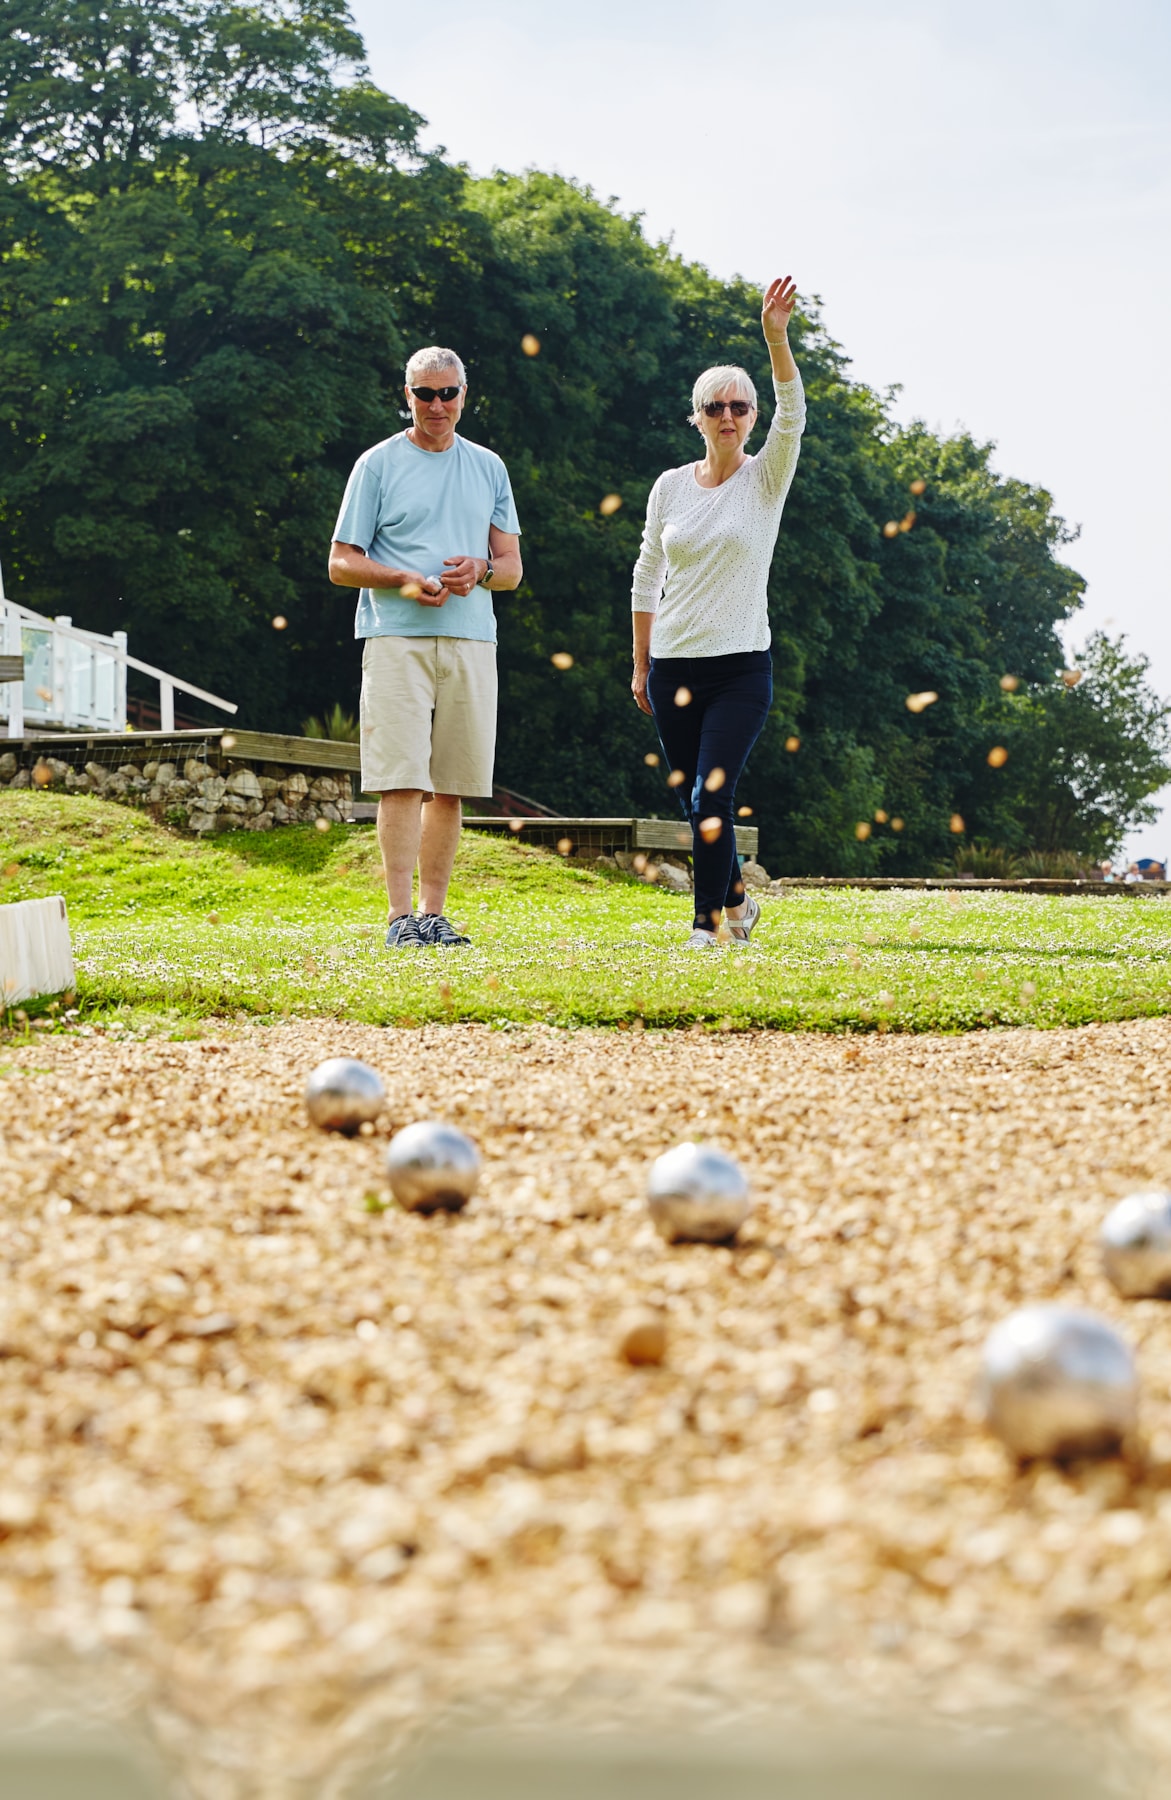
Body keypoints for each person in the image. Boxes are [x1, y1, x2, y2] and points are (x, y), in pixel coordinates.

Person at [630, 276, 805, 947]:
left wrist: (775, 337)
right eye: (714, 406)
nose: (726, 415)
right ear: (696, 416)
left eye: (738, 406)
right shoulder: (670, 486)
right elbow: (647, 572)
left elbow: (794, 414)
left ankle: (706, 927)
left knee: (711, 797)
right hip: (673, 665)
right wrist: (641, 662)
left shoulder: (766, 477)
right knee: (693, 802)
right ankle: (735, 897)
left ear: (751, 417)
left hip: (738, 669)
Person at [329, 347, 522, 948]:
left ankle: (435, 917)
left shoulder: (489, 466)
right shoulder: (377, 465)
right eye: (424, 394)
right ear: (405, 396)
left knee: (451, 784)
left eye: (447, 393)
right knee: (400, 780)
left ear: (465, 395)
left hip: (471, 637)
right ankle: (398, 917)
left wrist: (481, 570)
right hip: (395, 639)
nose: (436, 405)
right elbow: (340, 563)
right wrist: (405, 581)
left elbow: (512, 567)